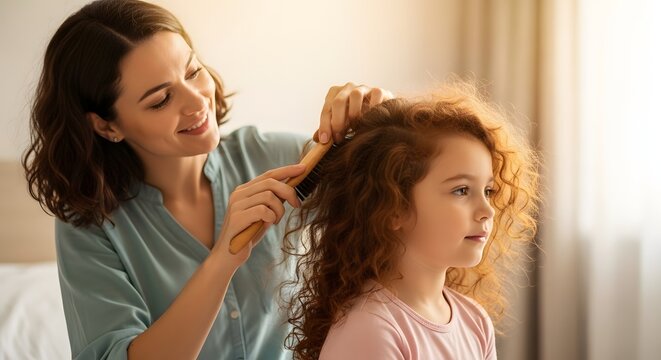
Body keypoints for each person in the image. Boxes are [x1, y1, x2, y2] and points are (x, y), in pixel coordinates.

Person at [21, 0, 392, 359]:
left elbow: (405, 197)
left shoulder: (278, 158)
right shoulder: (89, 224)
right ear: (107, 125)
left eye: (193, 72)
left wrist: (385, 118)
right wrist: (222, 260)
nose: (197, 102)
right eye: (161, 99)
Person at [281, 83, 540, 360]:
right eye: (462, 190)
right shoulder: (371, 330)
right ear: (394, 208)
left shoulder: (475, 321)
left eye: (488, 191)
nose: (487, 209)